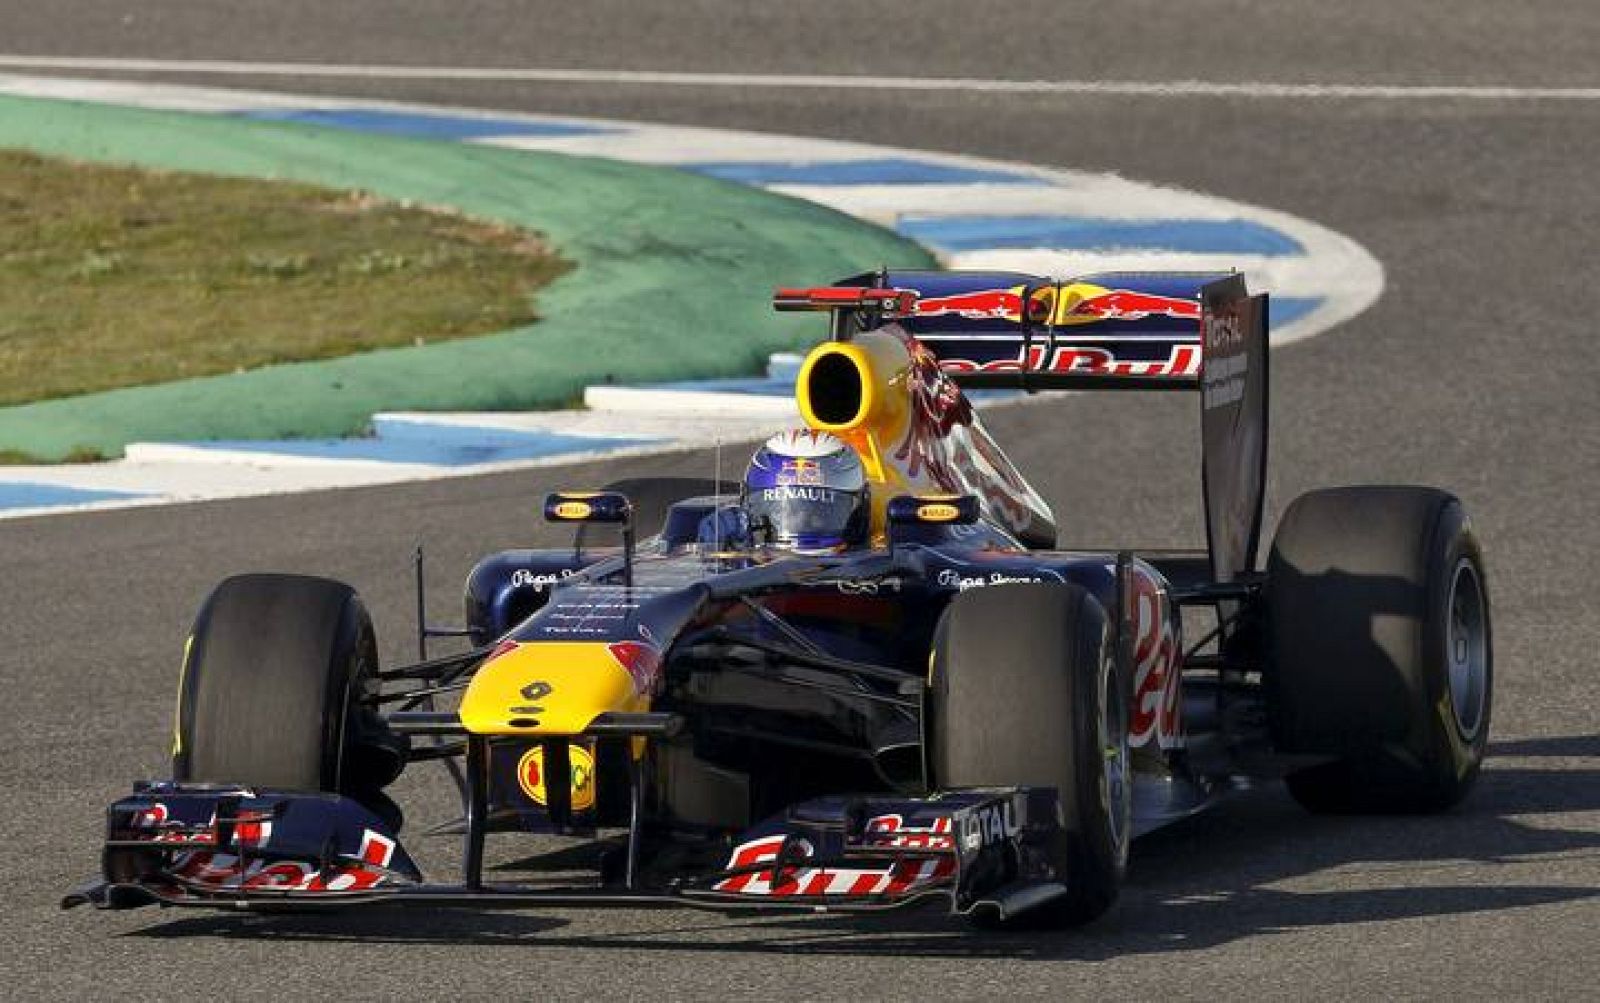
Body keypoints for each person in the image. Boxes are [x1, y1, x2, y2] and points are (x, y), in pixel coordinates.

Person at [699, 429, 871, 554]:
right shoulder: (738, 532)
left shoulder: (877, 553)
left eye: (818, 512)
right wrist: (717, 547)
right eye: (781, 509)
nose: (801, 519)